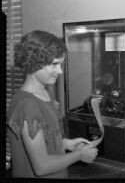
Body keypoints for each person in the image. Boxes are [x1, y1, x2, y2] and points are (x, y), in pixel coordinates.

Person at [7, 30, 98, 178]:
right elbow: (41, 166)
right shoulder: (26, 104)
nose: (60, 71)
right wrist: (79, 155)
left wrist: (66, 144)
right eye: (55, 64)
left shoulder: (46, 94)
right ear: (33, 62)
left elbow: (46, 139)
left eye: (61, 65)